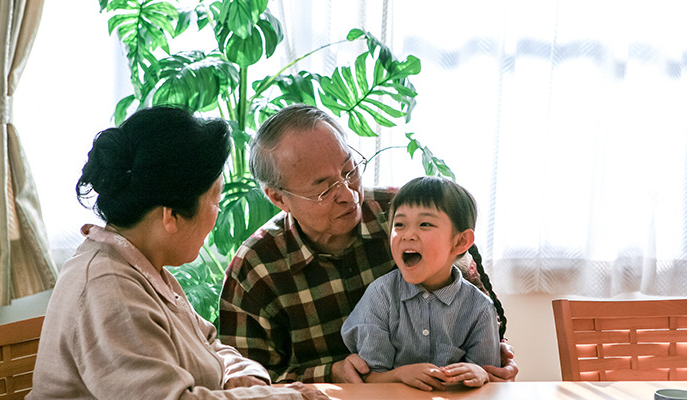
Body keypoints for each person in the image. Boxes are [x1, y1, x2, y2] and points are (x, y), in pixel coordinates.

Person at [12, 106, 342, 400]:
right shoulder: (107, 289)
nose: (216, 216)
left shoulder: (142, 268)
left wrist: (245, 378)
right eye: (215, 200)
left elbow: (211, 345)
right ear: (171, 215)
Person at [219, 104, 518, 384]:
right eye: (324, 189)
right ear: (279, 198)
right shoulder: (256, 268)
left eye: (350, 171)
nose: (349, 195)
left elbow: (480, 305)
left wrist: (493, 354)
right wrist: (331, 374)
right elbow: (247, 385)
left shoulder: (403, 215)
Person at [341, 176, 503, 391]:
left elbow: (492, 380)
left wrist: (481, 373)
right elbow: (369, 378)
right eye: (399, 224)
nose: (408, 235)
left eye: (425, 224)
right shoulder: (380, 296)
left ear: (460, 241)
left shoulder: (480, 308)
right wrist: (400, 375)